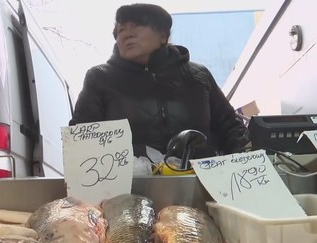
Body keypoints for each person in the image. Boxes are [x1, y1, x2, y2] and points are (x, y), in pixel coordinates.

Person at [69, 3, 249, 162]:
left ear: (163, 36)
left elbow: (231, 128)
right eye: (121, 30)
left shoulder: (198, 76)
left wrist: (245, 165)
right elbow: (82, 140)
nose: (126, 35)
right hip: (128, 191)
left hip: (197, 185)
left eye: (136, 26)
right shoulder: (100, 78)